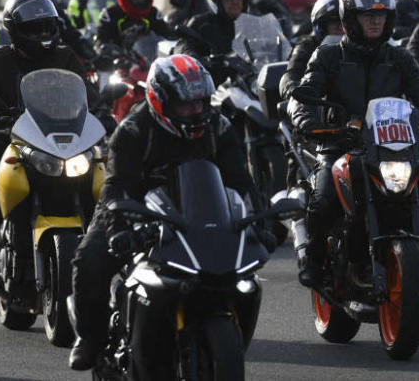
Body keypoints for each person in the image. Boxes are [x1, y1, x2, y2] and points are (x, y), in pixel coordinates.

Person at [66, 54, 273, 370]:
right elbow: (117, 186)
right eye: (185, 105)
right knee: (90, 259)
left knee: (244, 278)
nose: (196, 111)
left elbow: (240, 181)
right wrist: (118, 228)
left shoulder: (219, 128)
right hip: (134, 210)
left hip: (200, 216)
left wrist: (261, 222)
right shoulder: (134, 131)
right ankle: (90, 337)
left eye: (202, 103)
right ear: (160, 101)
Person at [292, 0, 419, 286]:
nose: (375, 20)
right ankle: (314, 260)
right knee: (323, 199)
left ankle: (416, 260)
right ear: (350, 19)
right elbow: (305, 91)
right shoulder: (329, 55)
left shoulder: (399, 57)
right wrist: (306, 119)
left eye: (381, 14)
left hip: (390, 144)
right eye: (367, 14)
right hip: (339, 143)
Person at [0, 0, 109, 285]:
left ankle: (106, 252)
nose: (42, 33)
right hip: (9, 144)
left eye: (47, 26)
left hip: (66, 143)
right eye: (34, 28)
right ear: (16, 30)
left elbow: (87, 94)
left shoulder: (64, 56)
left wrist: (103, 112)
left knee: (101, 186)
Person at [174, 0, 252, 85]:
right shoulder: (201, 24)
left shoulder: (252, 25)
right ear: (217, 0)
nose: (235, 1)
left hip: (249, 85)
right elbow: (184, 47)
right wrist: (201, 61)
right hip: (214, 88)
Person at [94, 0, 172, 63]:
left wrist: (180, 33)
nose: (140, 0)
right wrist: (107, 49)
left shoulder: (153, 13)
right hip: (117, 68)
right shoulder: (110, 14)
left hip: (149, 66)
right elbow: (99, 41)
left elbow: (166, 34)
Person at [279, 0, 342, 98]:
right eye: (336, 24)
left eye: (347, 24)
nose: (342, 30)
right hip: (319, 107)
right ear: (322, 28)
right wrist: (294, 91)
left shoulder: (362, 48)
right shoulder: (307, 46)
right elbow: (290, 75)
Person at [20, 0, 95, 63]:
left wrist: (93, 58)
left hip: (55, 65)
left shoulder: (60, 17)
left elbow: (74, 37)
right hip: (23, 64)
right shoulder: (18, 17)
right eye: (32, 0)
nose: (38, 6)